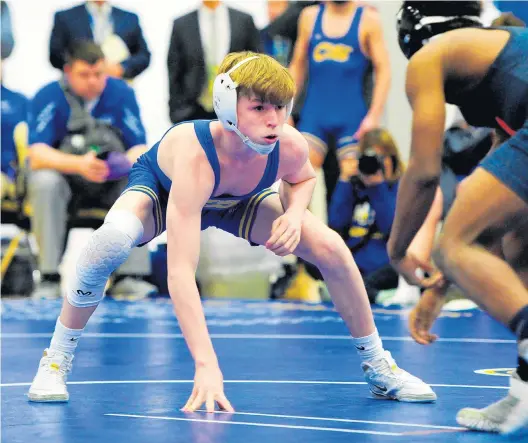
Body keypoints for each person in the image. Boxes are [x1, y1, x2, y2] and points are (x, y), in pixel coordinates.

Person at [28, 51, 436, 409]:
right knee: (109, 243)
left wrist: (294, 215)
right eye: (259, 107)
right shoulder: (195, 157)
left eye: (280, 106)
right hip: (166, 189)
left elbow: (303, 178)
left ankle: (379, 364)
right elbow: (181, 272)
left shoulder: (289, 143)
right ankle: (56, 358)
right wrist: (206, 365)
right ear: (226, 104)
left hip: (238, 199)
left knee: (330, 247)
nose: (273, 119)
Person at [387, 1, 528, 434]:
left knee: (453, 244)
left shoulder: (431, 57)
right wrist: (441, 288)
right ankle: (525, 387)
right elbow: (489, 203)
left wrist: (397, 250)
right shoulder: (500, 53)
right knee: (518, 244)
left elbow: (425, 171)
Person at [327, 128, 405, 303]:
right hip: (355, 262)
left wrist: (378, 187)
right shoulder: (354, 188)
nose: (375, 164)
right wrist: (345, 181)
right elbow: (336, 224)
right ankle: (358, 290)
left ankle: (353, 291)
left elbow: (391, 228)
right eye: (369, 158)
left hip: (385, 264)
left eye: (381, 157)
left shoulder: (401, 188)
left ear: (393, 159)